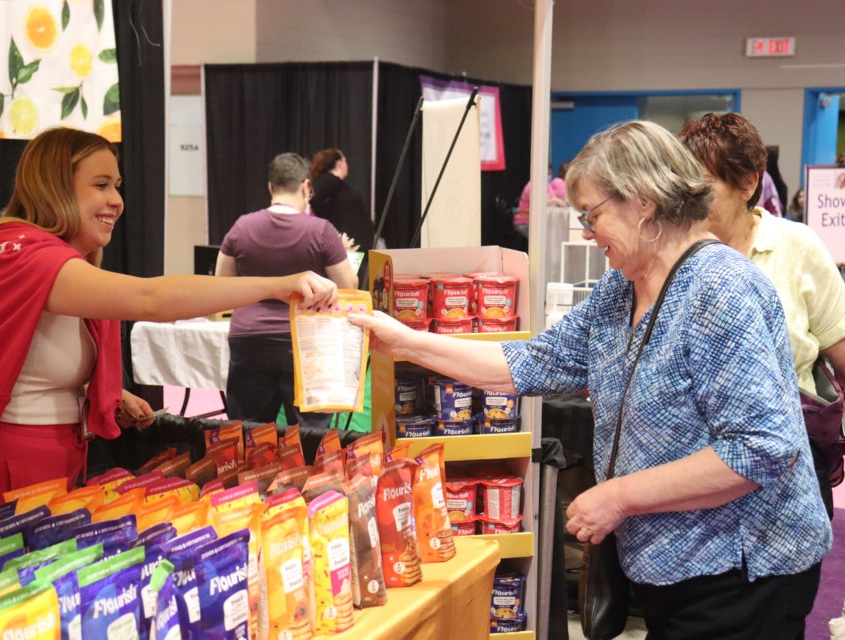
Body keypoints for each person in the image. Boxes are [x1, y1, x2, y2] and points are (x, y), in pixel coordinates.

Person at [349, 121, 831, 639]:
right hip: (677, 572)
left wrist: (620, 496)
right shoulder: (622, 288)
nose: (585, 231)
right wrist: (404, 342)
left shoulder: (721, 289)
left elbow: (760, 449)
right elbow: (528, 363)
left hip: (743, 573)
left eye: (592, 214)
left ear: (644, 201)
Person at [0, 129, 337, 511]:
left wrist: (106, 395)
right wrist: (275, 286)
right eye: (101, 185)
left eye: (117, 185)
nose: (117, 200)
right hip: (1, 467)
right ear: (55, 187)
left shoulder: (53, 257)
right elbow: (149, 299)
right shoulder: (26, 255)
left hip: (49, 461)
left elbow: (35, 366)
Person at [679, 112, 845, 517]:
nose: (688, 197)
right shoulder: (672, 253)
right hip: (693, 467)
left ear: (748, 183)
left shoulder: (795, 245)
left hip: (791, 466)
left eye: (704, 184)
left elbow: (841, 353)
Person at [217, 152, 357, 428]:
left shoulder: (241, 227)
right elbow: (348, 285)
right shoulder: (321, 231)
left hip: (249, 340)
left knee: (247, 431)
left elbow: (222, 284)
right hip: (305, 341)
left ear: (271, 187)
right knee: (309, 433)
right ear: (306, 186)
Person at [309, 148, 375, 254]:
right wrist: (326, 222)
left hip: (354, 248)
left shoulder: (335, 183)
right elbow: (312, 198)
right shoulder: (328, 179)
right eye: (345, 160)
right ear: (339, 163)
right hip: (349, 249)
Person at [514, 162, 568, 239]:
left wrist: (555, 200)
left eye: (550, 173)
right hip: (525, 221)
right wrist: (555, 201)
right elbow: (540, 203)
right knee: (546, 237)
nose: (549, 175)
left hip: (536, 221)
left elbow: (552, 197)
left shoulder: (547, 185)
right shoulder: (533, 185)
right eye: (547, 173)